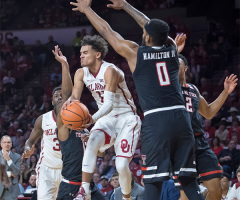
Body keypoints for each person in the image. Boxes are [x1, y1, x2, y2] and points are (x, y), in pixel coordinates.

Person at [70, 0, 202, 200]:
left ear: (147, 36)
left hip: (157, 121)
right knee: (189, 183)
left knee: (152, 182)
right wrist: (126, 5)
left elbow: (107, 32)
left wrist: (89, 9)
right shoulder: (173, 49)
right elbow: (154, 28)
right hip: (182, 119)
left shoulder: (136, 53)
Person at [66, 34, 141, 200]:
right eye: (80, 53)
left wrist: (90, 120)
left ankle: (127, 197)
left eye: (85, 52)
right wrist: (69, 105)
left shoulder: (110, 71)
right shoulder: (80, 73)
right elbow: (75, 100)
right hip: (106, 119)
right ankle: (84, 191)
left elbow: (108, 104)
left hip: (126, 118)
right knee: (91, 141)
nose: (81, 56)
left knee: (121, 166)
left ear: (97, 54)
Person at [178, 53, 238, 200]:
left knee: (216, 189)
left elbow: (209, 113)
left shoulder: (193, 89)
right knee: (185, 195)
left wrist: (225, 92)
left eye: (176, 64)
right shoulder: (167, 89)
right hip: (181, 144)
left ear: (185, 68)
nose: (171, 67)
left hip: (200, 142)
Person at [50, 46, 107, 200]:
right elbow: (68, 95)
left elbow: (102, 153)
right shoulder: (64, 129)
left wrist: (93, 143)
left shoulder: (85, 127)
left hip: (89, 186)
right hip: (71, 186)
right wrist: (65, 65)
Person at [22, 46, 67, 200]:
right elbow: (30, 141)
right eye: (56, 95)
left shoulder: (73, 118)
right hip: (46, 168)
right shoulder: (43, 119)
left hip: (66, 169)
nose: (59, 97)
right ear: (52, 99)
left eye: (62, 95)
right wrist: (28, 148)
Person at [0, 135, 21, 200]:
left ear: (11, 144)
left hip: (12, 191)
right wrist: (9, 174)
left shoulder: (17, 156)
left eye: (9, 142)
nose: (7, 144)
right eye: (5, 142)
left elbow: (16, 172)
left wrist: (9, 160)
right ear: (1, 144)